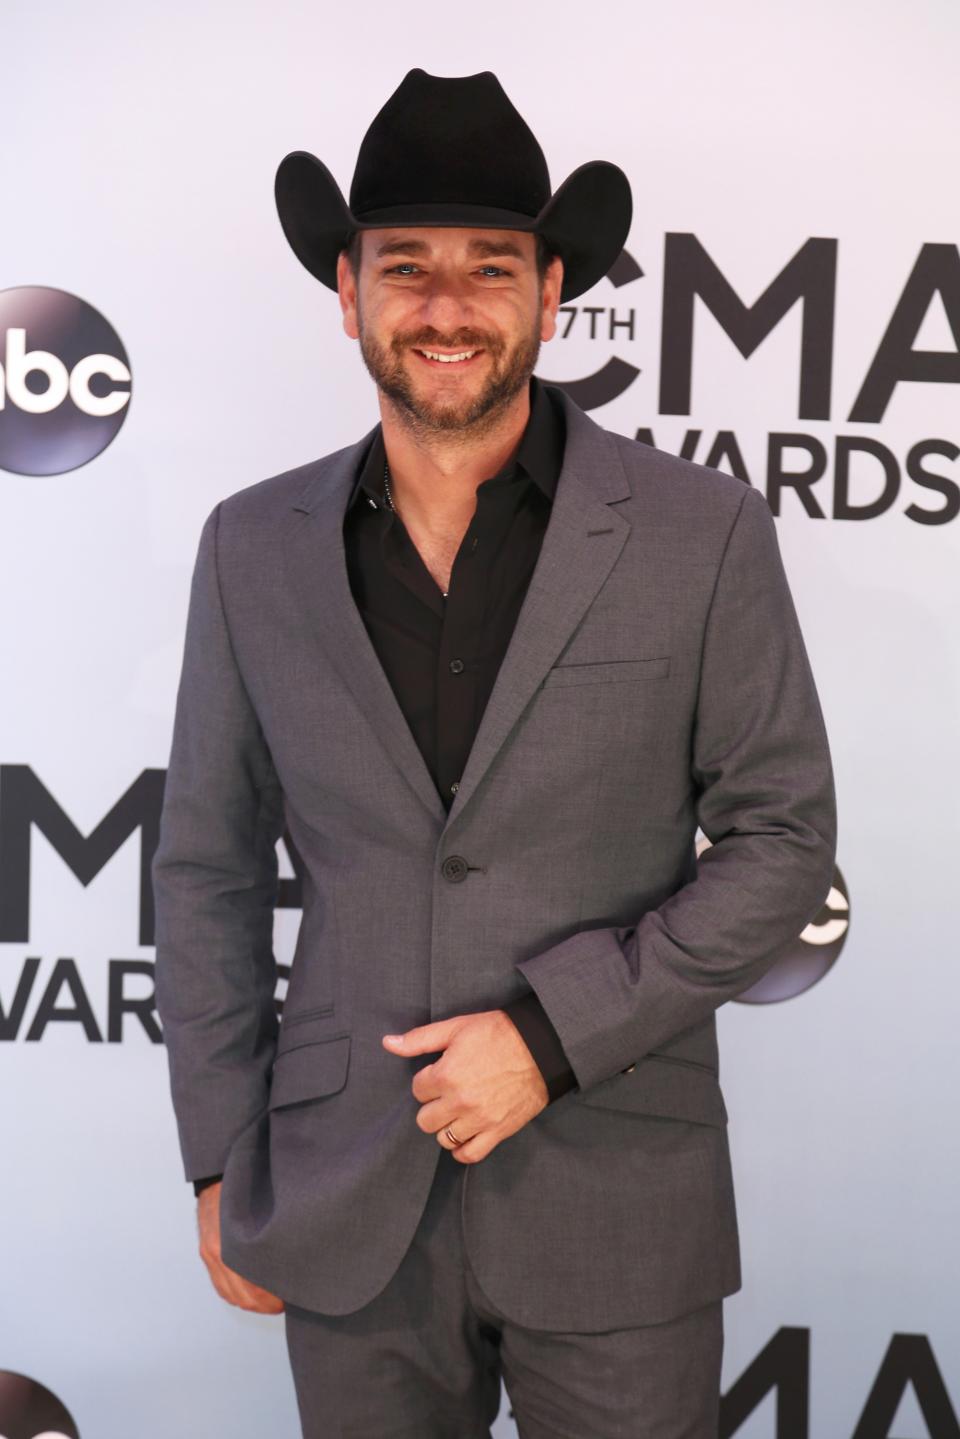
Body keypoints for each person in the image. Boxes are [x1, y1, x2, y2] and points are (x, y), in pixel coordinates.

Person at [152, 67, 837, 1439]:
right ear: (346, 293)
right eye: (405, 268)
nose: (446, 308)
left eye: (490, 268)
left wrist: (547, 1040)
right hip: (347, 1202)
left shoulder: (698, 533)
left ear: (551, 293)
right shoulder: (252, 546)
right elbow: (206, 869)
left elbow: (781, 845)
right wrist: (225, 1161)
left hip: (616, 1200)